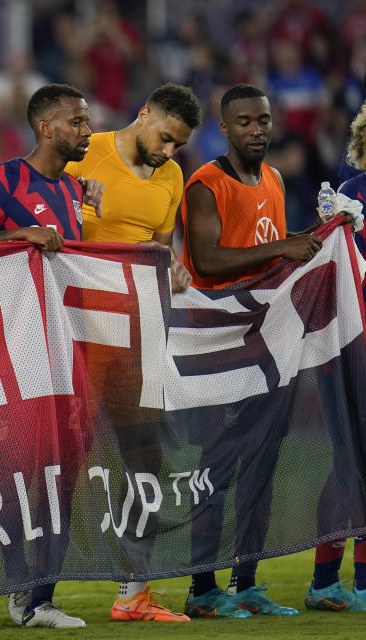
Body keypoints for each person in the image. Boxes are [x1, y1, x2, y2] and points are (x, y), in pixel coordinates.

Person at [0, 83, 102, 630]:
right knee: (17, 471)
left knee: (65, 471)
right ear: (46, 127)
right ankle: (23, 590)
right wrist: (18, 234)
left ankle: (43, 595)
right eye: (77, 122)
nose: (86, 130)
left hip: (65, 346)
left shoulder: (76, 189)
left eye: (87, 121)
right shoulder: (3, 180)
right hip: (12, 348)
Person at [64, 82, 201, 622]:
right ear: (144, 114)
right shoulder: (85, 150)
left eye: (179, 146)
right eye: (166, 138)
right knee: (60, 462)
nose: (169, 153)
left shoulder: (171, 178)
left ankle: (133, 591)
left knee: (145, 459)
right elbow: (52, 230)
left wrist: (173, 265)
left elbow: (161, 248)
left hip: (135, 339)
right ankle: (32, 589)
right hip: (75, 332)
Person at [181, 83, 320, 618]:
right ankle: (201, 589)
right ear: (225, 128)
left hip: (262, 340)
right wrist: (285, 245)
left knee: (260, 462)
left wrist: (317, 236)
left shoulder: (275, 179)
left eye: (263, 120)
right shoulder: (205, 184)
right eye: (244, 122)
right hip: (213, 339)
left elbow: (273, 260)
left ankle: (245, 583)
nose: (256, 130)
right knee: (214, 467)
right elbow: (208, 261)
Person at [303, 97, 366, 613]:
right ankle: (356, 582)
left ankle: (326, 579)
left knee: (349, 463)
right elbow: (334, 269)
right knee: (355, 459)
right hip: (353, 341)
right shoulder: (349, 197)